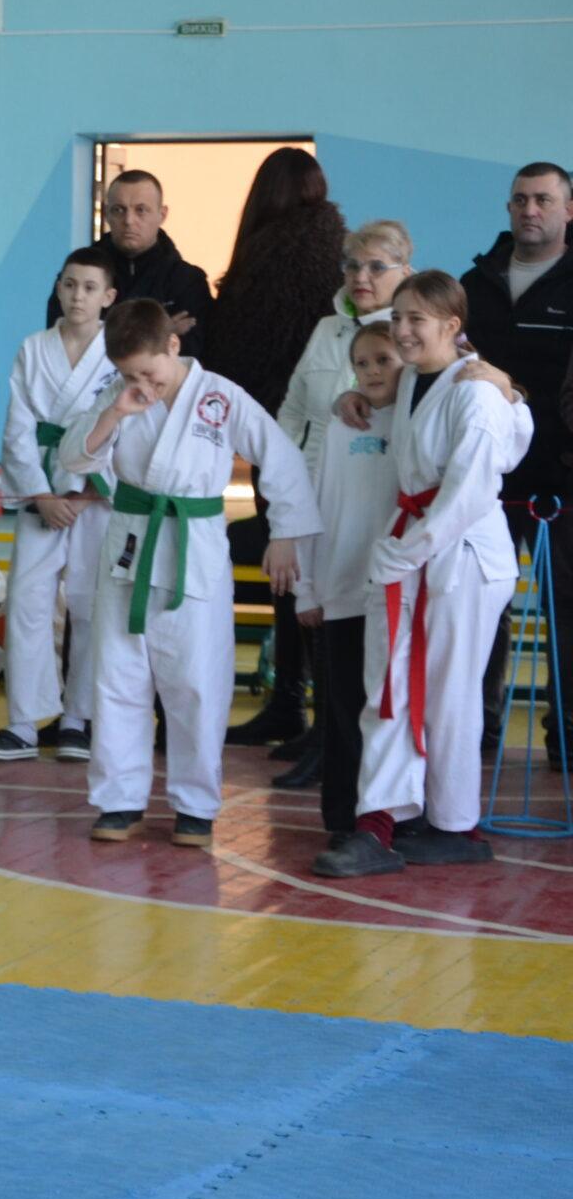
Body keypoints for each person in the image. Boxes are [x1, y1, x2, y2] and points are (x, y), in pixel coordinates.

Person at [58, 298, 317, 846]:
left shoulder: (221, 397)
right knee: (118, 676)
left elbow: (282, 456)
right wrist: (115, 413)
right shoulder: (120, 396)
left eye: (147, 372)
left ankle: (195, 803)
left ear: (173, 347)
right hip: (129, 543)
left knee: (197, 680)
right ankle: (119, 799)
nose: (141, 383)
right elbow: (72, 460)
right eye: (128, 374)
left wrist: (285, 533)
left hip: (194, 547)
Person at [324, 273, 532, 878]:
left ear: (452, 326)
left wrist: (412, 548)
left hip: (461, 550)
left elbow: (472, 487)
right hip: (414, 542)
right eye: (400, 318)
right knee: (390, 683)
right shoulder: (416, 377)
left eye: (419, 320)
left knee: (449, 692)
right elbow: (393, 415)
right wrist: (352, 396)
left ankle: (455, 824)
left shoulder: (477, 391)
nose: (405, 330)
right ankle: (379, 822)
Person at [188, 149, 348, 755]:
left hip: (279, 432)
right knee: (313, 573)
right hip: (327, 440)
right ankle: (305, 708)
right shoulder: (332, 255)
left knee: (293, 573)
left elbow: (244, 351)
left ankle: (291, 703)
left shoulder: (266, 260)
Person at [268, 219, 412, 788]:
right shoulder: (328, 328)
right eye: (353, 266)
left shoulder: (410, 335)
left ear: (406, 271)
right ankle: (323, 737)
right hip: (308, 495)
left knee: (357, 637)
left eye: (377, 266)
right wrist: (280, 487)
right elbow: (293, 411)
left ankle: (354, 754)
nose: (362, 277)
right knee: (314, 620)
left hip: (370, 502)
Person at [0, 247, 121, 764]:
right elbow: (17, 428)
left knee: (88, 604)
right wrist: (40, 494)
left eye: (89, 287)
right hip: (41, 492)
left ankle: (78, 720)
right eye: (69, 284)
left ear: (108, 297)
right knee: (28, 602)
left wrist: (81, 496)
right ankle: (22, 723)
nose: (77, 295)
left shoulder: (118, 354)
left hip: (92, 499)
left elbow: (123, 427)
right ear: (58, 288)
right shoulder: (34, 348)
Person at [465, 162, 573, 755]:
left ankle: (566, 737)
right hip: (487, 479)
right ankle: (476, 728)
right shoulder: (474, 284)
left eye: (543, 200)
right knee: (483, 606)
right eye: (520, 200)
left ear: (567, 211)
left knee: (568, 614)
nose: (530, 210)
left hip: (561, 476)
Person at [294, 323, 402, 847]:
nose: (374, 371)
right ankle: (342, 816)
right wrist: (307, 588)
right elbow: (319, 501)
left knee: (381, 709)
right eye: (363, 363)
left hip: (391, 589)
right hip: (339, 590)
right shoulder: (341, 426)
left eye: (384, 359)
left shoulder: (414, 419)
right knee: (340, 710)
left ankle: (385, 813)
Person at [48, 170, 212, 348]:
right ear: (106, 213)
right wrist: (161, 333)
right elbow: (64, 345)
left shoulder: (187, 281)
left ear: (162, 215)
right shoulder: (76, 276)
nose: (128, 220)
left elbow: (189, 356)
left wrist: (102, 337)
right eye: (119, 210)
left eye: (141, 210)